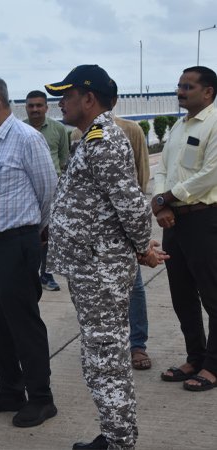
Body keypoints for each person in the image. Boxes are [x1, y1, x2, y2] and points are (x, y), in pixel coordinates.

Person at [45, 64, 166, 449]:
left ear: (88, 98)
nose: (60, 103)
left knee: (105, 359)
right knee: (102, 355)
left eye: (66, 96)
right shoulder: (91, 138)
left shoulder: (102, 140)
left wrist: (143, 248)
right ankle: (116, 436)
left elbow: (131, 205)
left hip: (99, 269)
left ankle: (119, 442)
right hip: (92, 266)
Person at [0, 75, 58, 428]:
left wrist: (31, 234)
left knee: (23, 323)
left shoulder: (27, 139)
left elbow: (47, 192)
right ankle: (9, 388)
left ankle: (41, 398)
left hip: (15, 245)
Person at [70, 90, 153, 372]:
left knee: (134, 288)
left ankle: (137, 344)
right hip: (91, 237)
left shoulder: (127, 131)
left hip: (119, 230)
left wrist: (139, 239)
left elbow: (140, 176)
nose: (62, 104)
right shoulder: (78, 135)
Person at [153, 65, 217, 392]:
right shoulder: (179, 126)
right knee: (182, 294)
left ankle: (213, 366)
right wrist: (161, 203)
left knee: (212, 294)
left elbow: (211, 173)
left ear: (208, 92)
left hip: (205, 219)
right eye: (179, 85)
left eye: (188, 87)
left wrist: (168, 197)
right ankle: (196, 356)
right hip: (174, 221)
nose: (180, 91)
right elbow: (162, 170)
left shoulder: (214, 123)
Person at [23, 90, 69, 292]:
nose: (35, 109)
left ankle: (46, 274)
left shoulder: (58, 129)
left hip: (52, 190)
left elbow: (64, 160)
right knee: (28, 233)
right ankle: (28, 273)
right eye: (31, 105)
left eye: (39, 105)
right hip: (26, 191)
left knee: (49, 234)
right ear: (26, 107)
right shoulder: (19, 130)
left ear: (46, 107)